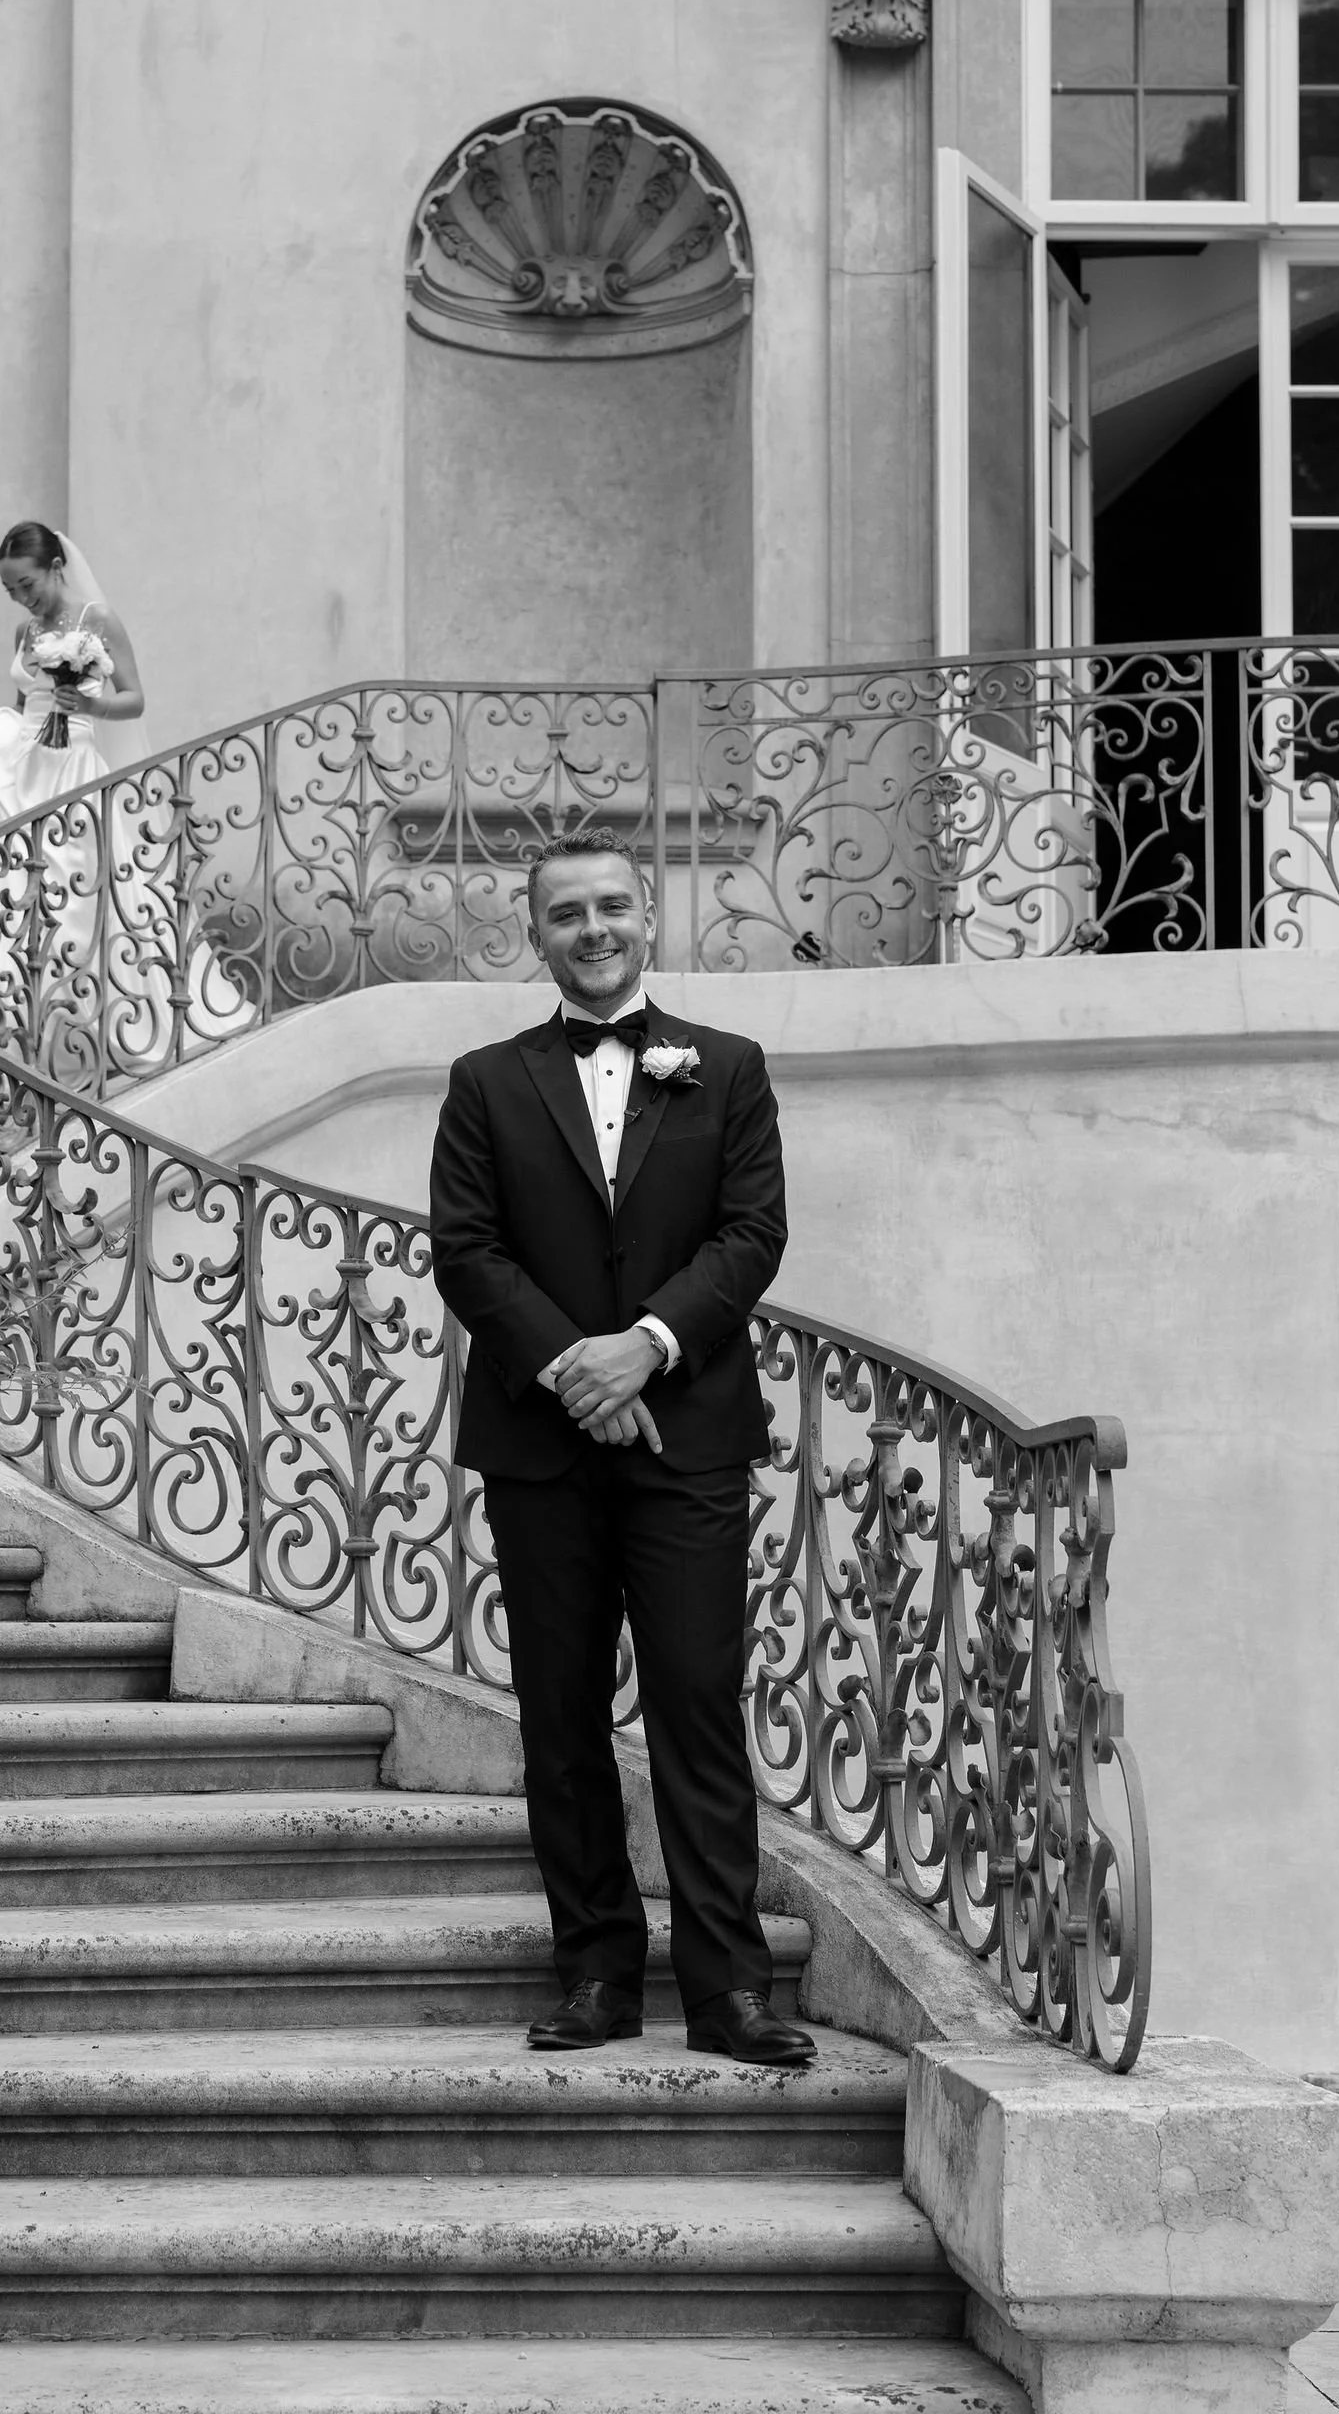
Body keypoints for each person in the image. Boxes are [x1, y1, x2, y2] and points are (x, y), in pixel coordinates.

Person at [428, 827, 813, 2068]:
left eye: (610, 908)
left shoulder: (730, 1068)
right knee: (560, 1713)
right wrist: (572, 1370)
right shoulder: (484, 1079)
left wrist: (641, 1347)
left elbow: (750, 1236)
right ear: (533, 936)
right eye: (564, 915)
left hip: (686, 1435)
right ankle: (594, 1976)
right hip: (541, 1443)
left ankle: (727, 1994)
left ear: (646, 916)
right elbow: (466, 1249)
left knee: (697, 1706)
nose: (590, 932)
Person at [0, 520, 147, 866]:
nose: (22, 599)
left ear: (56, 568)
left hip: (72, 762)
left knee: (73, 869)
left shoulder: (97, 618)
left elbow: (134, 699)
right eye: (10, 590)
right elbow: (24, 704)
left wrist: (92, 704)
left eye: (27, 584)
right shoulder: (24, 631)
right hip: (26, 762)